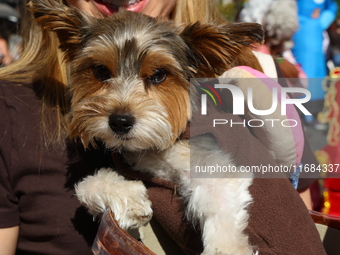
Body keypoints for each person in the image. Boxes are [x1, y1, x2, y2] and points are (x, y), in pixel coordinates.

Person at [0, 0, 326, 254]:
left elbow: (298, 215)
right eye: (101, 72)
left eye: (156, 77)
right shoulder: (11, 110)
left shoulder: (242, 88)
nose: (123, 107)